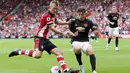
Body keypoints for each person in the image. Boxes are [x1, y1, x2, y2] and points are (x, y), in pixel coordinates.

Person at [8, 0, 79, 73]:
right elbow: (51, 28)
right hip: (40, 38)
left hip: (45, 39)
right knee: (37, 55)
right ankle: (19, 51)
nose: (55, 10)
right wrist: (62, 33)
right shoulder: (47, 16)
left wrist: (66, 23)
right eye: (54, 8)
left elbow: (56, 22)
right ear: (49, 7)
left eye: (56, 9)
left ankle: (66, 70)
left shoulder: (52, 15)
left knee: (59, 52)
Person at [68, 8, 97, 73]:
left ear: (85, 14)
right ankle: (81, 66)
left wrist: (95, 33)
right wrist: (73, 34)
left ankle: (94, 70)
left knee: (91, 51)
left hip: (85, 41)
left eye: (82, 14)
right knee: (77, 49)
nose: (80, 16)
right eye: (79, 14)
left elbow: (94, 30)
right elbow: (68, 31)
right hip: (75, 41)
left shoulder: (89, 22)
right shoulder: (74, 21)